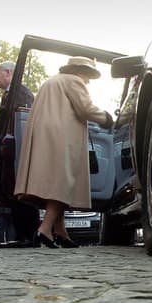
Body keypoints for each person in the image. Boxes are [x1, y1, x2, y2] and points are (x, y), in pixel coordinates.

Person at [14, 56, 113, 248]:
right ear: (79, 70)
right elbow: (85, 109)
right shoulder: (73, 80)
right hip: (62, 136)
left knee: (54, 183)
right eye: (88, 74)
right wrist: (107, 119)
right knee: (64, 182)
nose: (89, 80)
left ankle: (61, 232)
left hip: (44, 136)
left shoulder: (51, 81)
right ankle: (45, 229)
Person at [0, 61, 38, 247]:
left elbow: (21, 122)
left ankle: (27, 236)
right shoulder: (11, 94)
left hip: (16, 153)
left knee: (20, 191)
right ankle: (23, 236)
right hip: (10, 152)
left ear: (8, 73)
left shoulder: (21, 93)